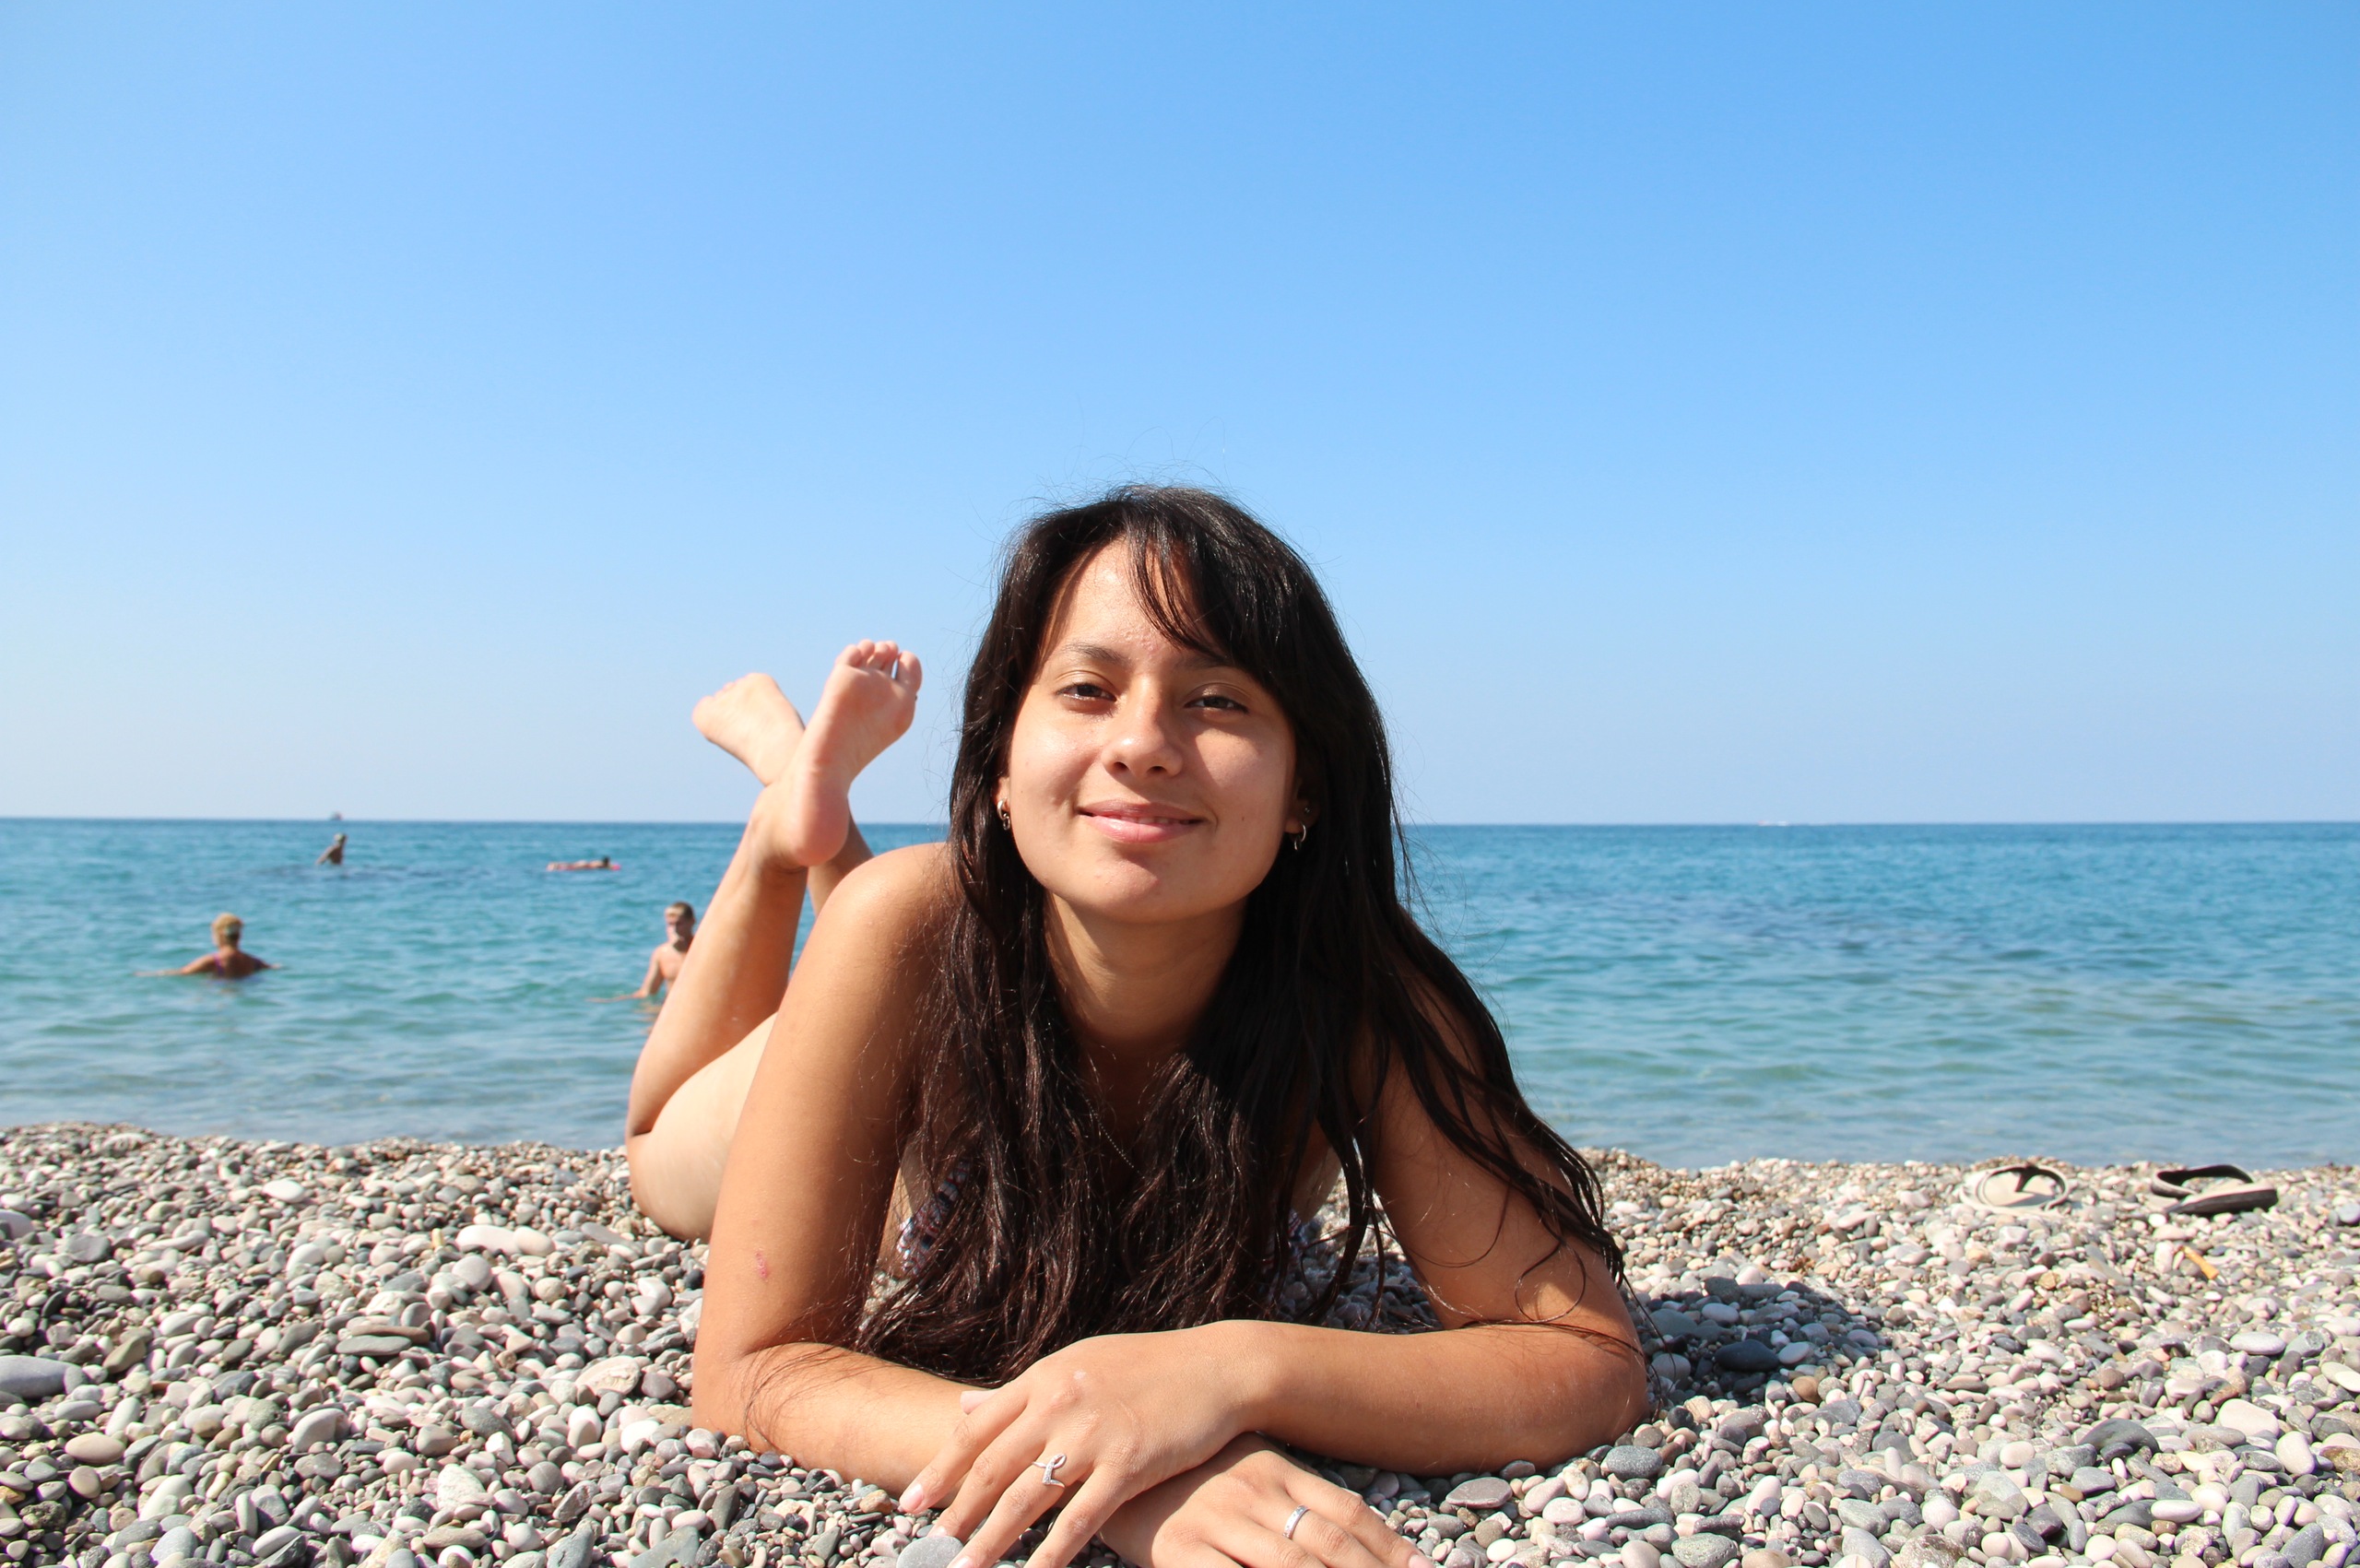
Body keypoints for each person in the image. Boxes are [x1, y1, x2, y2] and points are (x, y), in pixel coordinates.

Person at [625, 488, 1645, 1568]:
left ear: (1303, 785)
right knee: (657, 1150)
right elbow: (749, 1372)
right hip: (865, 1082)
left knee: (920, 942)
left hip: (939, 1004)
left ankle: (815, 814)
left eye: (1216, 700)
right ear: (1000, 764)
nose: (1144, 744)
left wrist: (1226, 1374)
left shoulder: (1358, 995)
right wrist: (1083, 1467)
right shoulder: (904, 922)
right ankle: (784, 818)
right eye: (1087, 690)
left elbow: (1582, 1357)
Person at [605, 902, 697, 1002]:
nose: (674, 929)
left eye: (679, 924)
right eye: (670, 924)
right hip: (671, 1006)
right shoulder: (662, 953)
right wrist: (614, 1001)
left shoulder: (700, 948)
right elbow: (647, 992)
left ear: (692, 922)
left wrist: (683, 947)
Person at [150, 914, 275, 979]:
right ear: (239, 936)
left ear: (218, 935)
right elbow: (273, 968)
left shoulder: (213, 961)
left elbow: (182, 972)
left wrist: (149, 974)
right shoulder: (254, 962)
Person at [547, 855, 618, 871]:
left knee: (571, 865)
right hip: (586, 866)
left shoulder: (599, 862)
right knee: (571, 867)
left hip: (585, 864)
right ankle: (555, 866)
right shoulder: (603, 864)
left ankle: (555, 864)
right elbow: (610, 867)